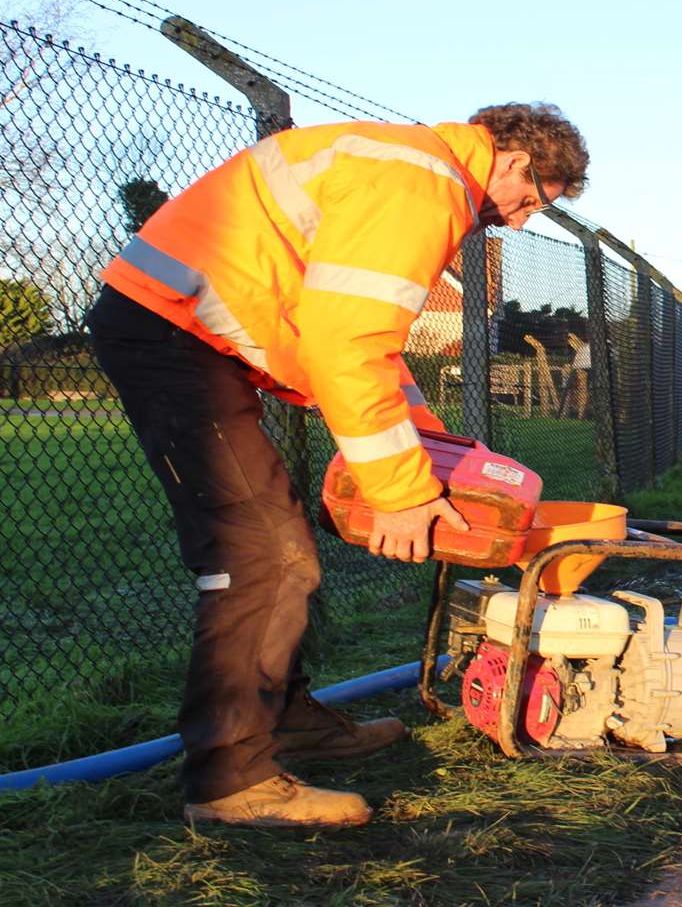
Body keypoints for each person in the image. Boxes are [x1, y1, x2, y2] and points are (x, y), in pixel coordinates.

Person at [87, 102, 587, 828]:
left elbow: (364, 347)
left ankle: (285, 722)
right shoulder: (423, 185)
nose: (517, 221)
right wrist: (402, 495)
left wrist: (439, 457)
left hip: (183, 329)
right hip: (171, 335)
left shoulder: (411, 167)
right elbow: (344, 346)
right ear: (514, 162)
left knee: (279, 544)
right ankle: (230, 783)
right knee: (262, 557)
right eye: (531, 203)